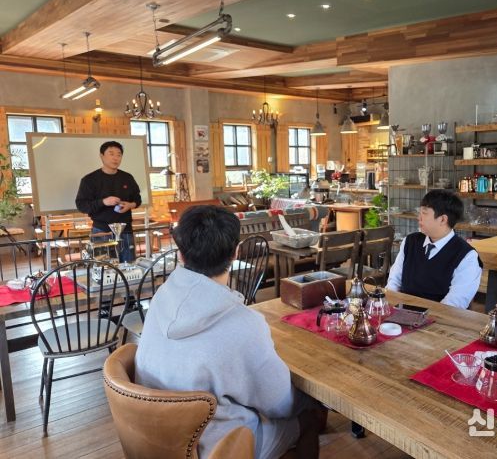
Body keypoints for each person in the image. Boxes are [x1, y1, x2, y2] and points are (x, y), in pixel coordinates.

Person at [135, 205, 324, 459]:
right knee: (309, 416)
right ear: (237, 252)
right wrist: (313, 400)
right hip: (218, 448)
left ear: (180, 255)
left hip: (155, 437)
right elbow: (280, 404)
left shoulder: (160, 297)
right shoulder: (243, 323)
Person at [386, 189, 482, 308]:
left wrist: (424, 316)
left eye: (424, 213)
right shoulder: (410, 242)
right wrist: (390, 306)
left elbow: (454, 303)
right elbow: (394, 282)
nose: (419, 218)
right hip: (402, 312)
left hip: (439, 317)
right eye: (420, 212)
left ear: (443, 219)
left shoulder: (467, 256)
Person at [75, 141, 141, 262]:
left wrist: (130, 205)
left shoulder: (127, 177)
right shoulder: (89, 180)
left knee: (129, 266)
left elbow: (137, 199)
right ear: (102, 156)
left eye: (119, 155)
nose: (115, 158)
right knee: (104, 267)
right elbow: (81, 205)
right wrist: (103, 202)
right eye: (111, 154)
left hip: (125, 230)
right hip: (101, 231)